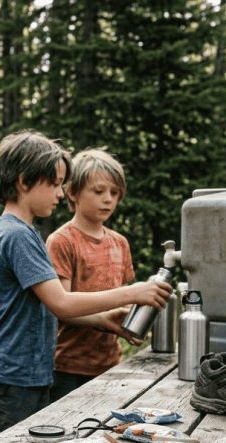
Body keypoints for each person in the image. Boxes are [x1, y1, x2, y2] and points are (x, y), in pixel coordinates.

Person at [0, 130, 170, 443]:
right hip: (10, 379)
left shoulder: (17, 231)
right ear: (26, 181)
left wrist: (104, 321)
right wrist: (133, 292)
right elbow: (61, 302)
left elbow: (49, 307)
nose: (61, 194)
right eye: (56, 183)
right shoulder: (20, 236)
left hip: (23, 375)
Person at [46, 148, 137, 402]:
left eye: (114, 193)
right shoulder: (61, 241)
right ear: (72, 192)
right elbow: (61, 304)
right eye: (98, 191)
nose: (108, 199)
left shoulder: (120, 243)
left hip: (110, 363)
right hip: (67, 366)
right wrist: (104, 319)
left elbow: (124, 297)